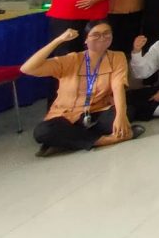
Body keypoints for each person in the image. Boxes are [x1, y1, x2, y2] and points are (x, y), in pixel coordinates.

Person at [21, 22, 141, 157]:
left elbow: (118, 86)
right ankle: (105, 140)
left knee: (126, 111)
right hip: (67, 115)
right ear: (86, 39)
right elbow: (27, 68)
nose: (102, 38)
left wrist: (120, 116)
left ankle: (69, 141)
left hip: (96, 111)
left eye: (106, 34)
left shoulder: (117, 57)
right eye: (96, 35)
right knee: (43, 131)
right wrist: (58, 40)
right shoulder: (71, 60)